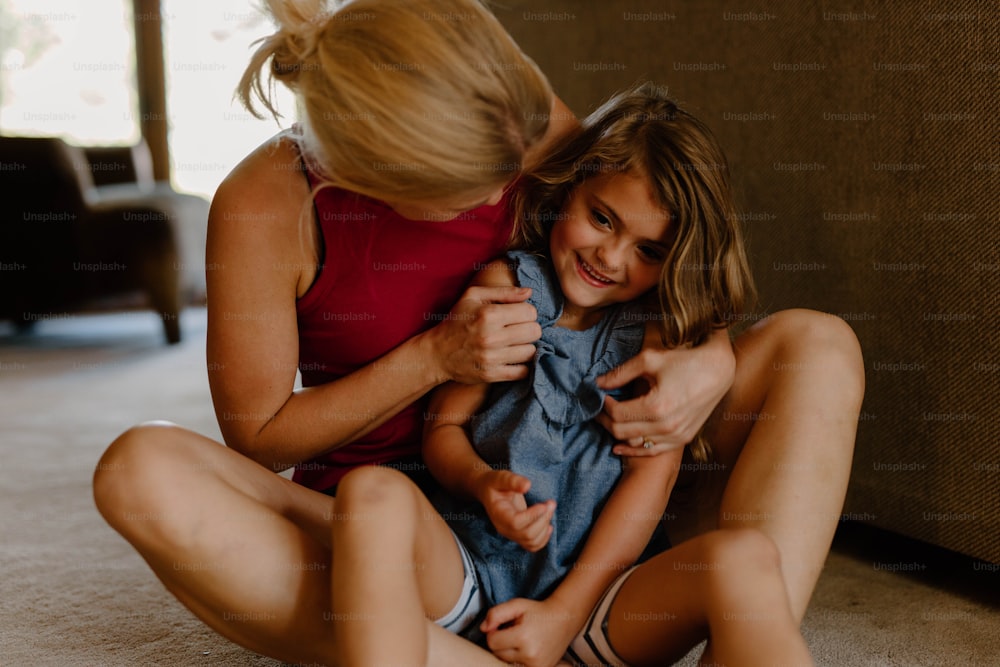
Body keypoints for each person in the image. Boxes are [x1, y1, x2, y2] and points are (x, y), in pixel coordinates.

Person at [92, 0, 863, 664]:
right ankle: (430, 643)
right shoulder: (263, 204)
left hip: (587, 496)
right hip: (395, 533)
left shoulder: (505, 113)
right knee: (140, 468)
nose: (514, 185)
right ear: (380, 175)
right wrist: (434, 357)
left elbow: (667, 241)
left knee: (819, 346)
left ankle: (726, 643)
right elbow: (260, 436)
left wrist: (711, 353)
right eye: (480, 184)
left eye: (514, 162)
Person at [329, 83, 814, 667]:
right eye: (602, 218)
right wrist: (483, 484)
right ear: (570, 186)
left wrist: (564, 615)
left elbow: (647, 490)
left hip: (598, 603)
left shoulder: (662, 341)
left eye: (650, 251)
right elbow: (443, 429)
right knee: (369, 492)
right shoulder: (506, 290)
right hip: (471, 568)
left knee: (748, 561)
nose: (611, 257)